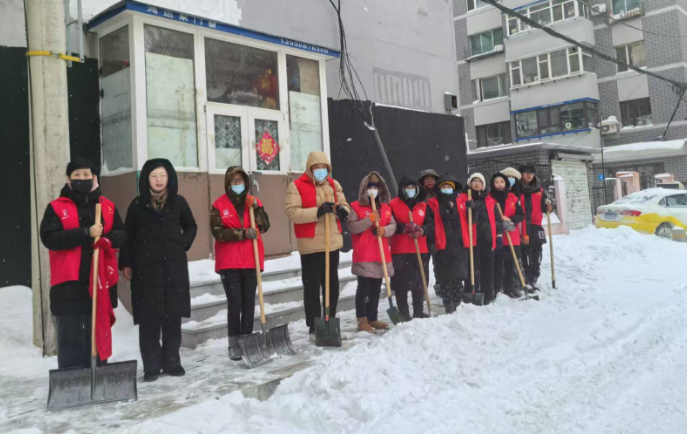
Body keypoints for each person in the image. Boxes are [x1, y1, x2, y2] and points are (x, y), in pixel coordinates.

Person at [40, 159, 126, 369]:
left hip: (99, 282)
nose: (82, 179)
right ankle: (72, 377)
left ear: (94, 177)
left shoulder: (107, 206)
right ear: (69, 180)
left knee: (97, 331)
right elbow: (49, 238)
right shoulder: (56, 207)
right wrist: (85, 233)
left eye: (86, 175)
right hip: (69, 285)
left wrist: (107, 240)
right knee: (70, 335)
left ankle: (98, 372)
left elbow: (122, 233)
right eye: (77, 175)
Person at [120, 159, 197, 382]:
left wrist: (182, 242)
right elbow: (127, 236)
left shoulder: (178, 202)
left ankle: (172, 362)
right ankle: (152, 365)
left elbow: (191, 226)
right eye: (154, 176)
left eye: (162, 175)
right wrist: (126, 263)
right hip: (146, 272)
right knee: (149, 321)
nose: (159, 180)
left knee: (172, 318)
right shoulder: (137, 205)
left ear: (169, 178)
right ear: (147, 179)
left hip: (174, 269)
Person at [285, 152, 351, 341]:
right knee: (312, 287)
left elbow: (345, 204)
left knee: (332, 286)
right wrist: (317, 211)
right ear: (310, 169)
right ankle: (314, 327)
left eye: (324, 167)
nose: (321, 171)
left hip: (332, 243)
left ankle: (330, 323)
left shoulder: (334, 184)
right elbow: (291, 211)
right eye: (317, 167)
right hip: (311, 244)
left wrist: (342, 210)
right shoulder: (297, 186)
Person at [211, 166, 270, 361]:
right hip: (229, 262)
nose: (238, 184)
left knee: (248, 302)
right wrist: (242, 233)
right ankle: (233, 342)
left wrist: (257, 208)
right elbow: (218, 232)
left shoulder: (252, 203)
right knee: (235, 302)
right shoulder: (219, 205)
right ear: (228, 183)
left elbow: (265, 226)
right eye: (234, 181)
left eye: (241, 180)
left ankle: (246, 340)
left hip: (250, 260)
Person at [347, 172, 396, 333]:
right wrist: (369, 220)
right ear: (364, 189)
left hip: (380, 254)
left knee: (376, 288)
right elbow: (352, 227)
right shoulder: (356, 207)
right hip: (365, 254)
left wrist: (384, 230)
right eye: (370, 187)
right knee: (364, 288)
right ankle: (362, 320)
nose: (373, 189)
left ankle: (372, 317)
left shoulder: (386, 208)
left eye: (376, 187)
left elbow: (393, 225)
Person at [389, 175, 437, 320]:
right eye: (407, 188)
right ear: (402, 189)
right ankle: (403, 312)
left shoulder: (423, 205)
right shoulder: (393, 205)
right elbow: (390, 225)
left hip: (419, 248)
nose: (411, 190)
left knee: (419, 282)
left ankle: (418, 310)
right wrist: (403, 228)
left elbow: (431, 225)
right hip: (400, 250)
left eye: (413, 188)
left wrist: (421, 230)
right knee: (401, 283)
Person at [459, 173, 502, 304]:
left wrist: (498, 234)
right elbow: (462, 218)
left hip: (488, 239)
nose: (477, 183)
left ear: (483, 184)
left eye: (479, 181)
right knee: (473, 269)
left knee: (488, 268)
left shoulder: (490, 200)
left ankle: (488, 294)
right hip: (473, 239)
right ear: (470, 183)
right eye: (474, 181)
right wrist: (468, 208)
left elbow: (497, 220)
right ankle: (472, 292)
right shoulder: (464, 199)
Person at [432, 175, 469, 313]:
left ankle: (458, 302)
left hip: (459, 242)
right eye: (444, 187)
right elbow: (431, 223)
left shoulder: (460, 202)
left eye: (449, 187)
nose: (446, 189)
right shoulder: (434, 203)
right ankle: (449, 304)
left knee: (458, 275)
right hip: (443, 243)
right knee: (445, 276)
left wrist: (473, 209)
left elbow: (470, 220)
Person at [517, 163, 552, 291]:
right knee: (523, 253)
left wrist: (548, 207)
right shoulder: (516, 189)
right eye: (526, 172)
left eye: (531, 172)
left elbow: (545, 206)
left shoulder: (540, 190)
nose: (529, 175)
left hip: (536, 225)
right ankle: (525, 279)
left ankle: (534, 277)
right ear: (521, 174)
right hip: (521, 225)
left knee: (536, 253)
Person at [489, 173, 524, 299]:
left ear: (506, 184)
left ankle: (512, 288)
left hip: (511, 236)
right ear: (493, 184)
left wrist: (510, 219)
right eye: (497, 182)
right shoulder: (489, 198)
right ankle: (498, 288)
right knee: (498, 264)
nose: (499, 184)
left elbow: (521, 215)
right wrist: (498, 221)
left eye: (502, 182)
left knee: (511, 263)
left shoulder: (512, 198)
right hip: (496, 237)